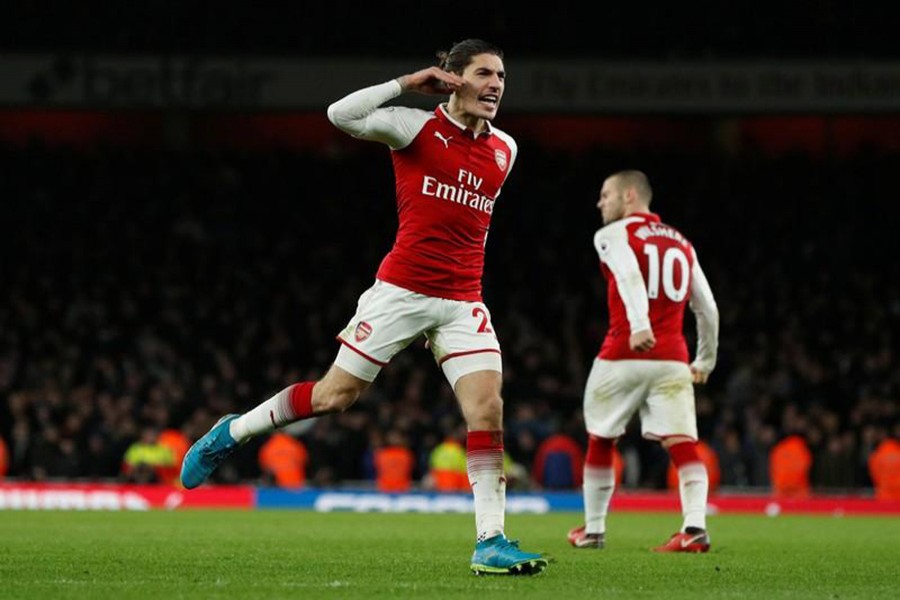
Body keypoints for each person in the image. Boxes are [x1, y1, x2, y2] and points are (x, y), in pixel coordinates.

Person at [180, 39, 547, 575]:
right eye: (484, 74)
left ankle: (490, 540)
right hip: (401, 292)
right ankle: (232, 431)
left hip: (463, 300)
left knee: (488, 409)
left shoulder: (505, 149)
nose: (496, 85)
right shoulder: (413, 126)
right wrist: (407, 83)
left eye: (502, 77)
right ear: (452, 77)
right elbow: (340, 114)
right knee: (334, 398)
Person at [567, 170, 719, 553]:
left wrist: (638, 326)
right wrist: (705, 360)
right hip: (673, 359)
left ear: (629, 196)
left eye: (606, 195)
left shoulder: (613, 234)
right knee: (683, 444)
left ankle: (595, 531)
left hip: (624, 353)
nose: (600, 203)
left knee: (601, 438)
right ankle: (695, 529)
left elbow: (629, 274)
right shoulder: (682, 243)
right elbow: (707, 308)